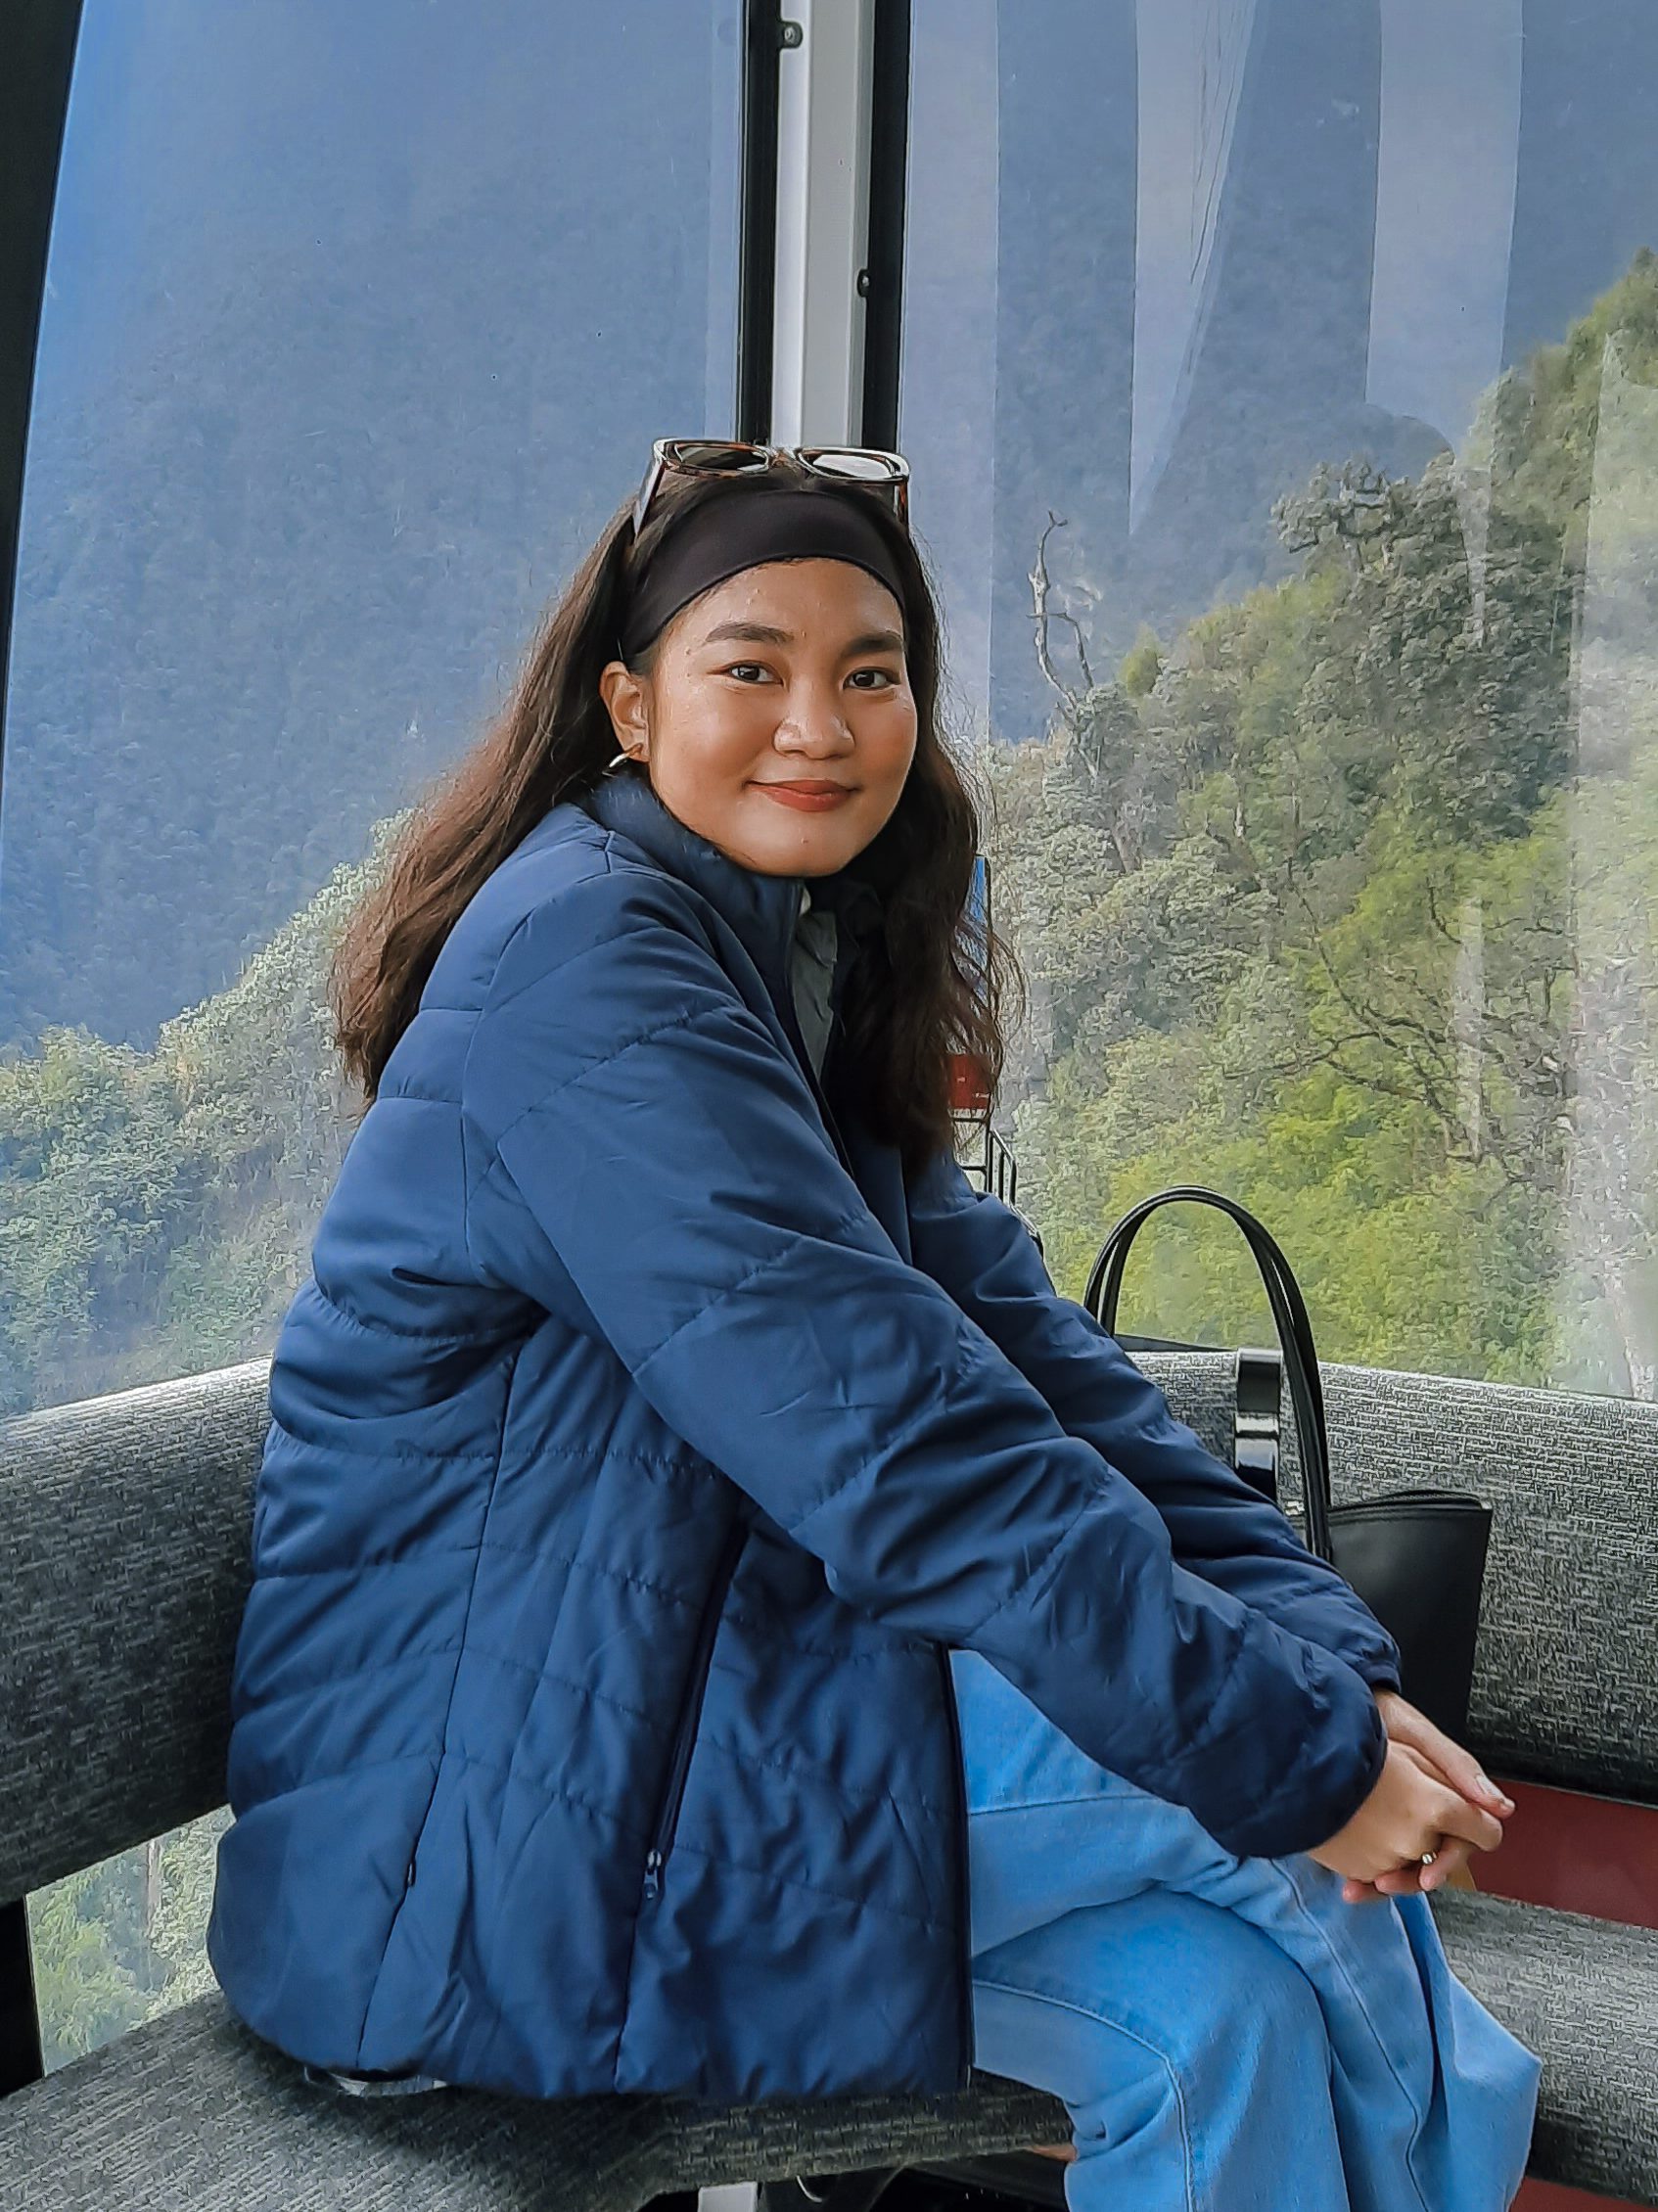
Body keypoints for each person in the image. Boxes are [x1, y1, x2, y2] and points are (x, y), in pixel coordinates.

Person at [206, 441, 1542, 2206]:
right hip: (470, 1847)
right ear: (626, 701)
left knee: (1218, 2020)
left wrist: (1326, 1655)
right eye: (747, 667)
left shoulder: (774, 968)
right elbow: (900, 1438)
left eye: (869, 674)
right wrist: (1300, 1752)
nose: (814, 727)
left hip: (657, 1737)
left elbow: (1045, 1369)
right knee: (1301, 1865)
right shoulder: (587, 965)